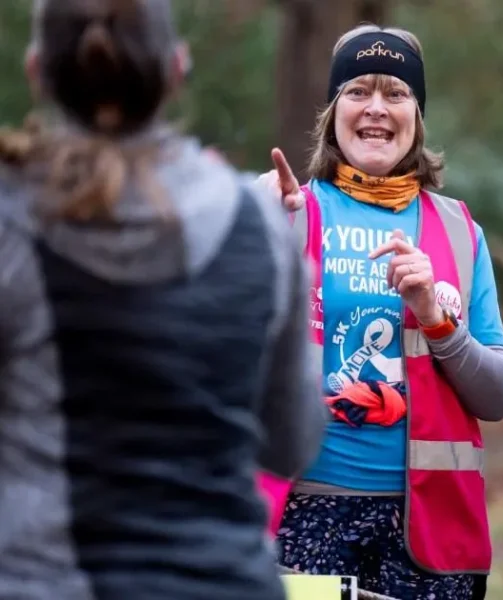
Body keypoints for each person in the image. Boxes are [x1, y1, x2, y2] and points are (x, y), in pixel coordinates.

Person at [0, 0, 326, 598]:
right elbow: (292, 442)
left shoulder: (12, 219)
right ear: (177, 67)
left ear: (37, 71)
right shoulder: (260, 225)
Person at [256, 22, 503, 600]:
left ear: (417, 116)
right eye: (358, 90)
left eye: (395, 92)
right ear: (333, 112)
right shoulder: (286, 212)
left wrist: (437, 319)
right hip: (302, 519)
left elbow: (498, 397)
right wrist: (247, 235)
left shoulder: (459, 231)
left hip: (431, 529)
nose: (376, 107)